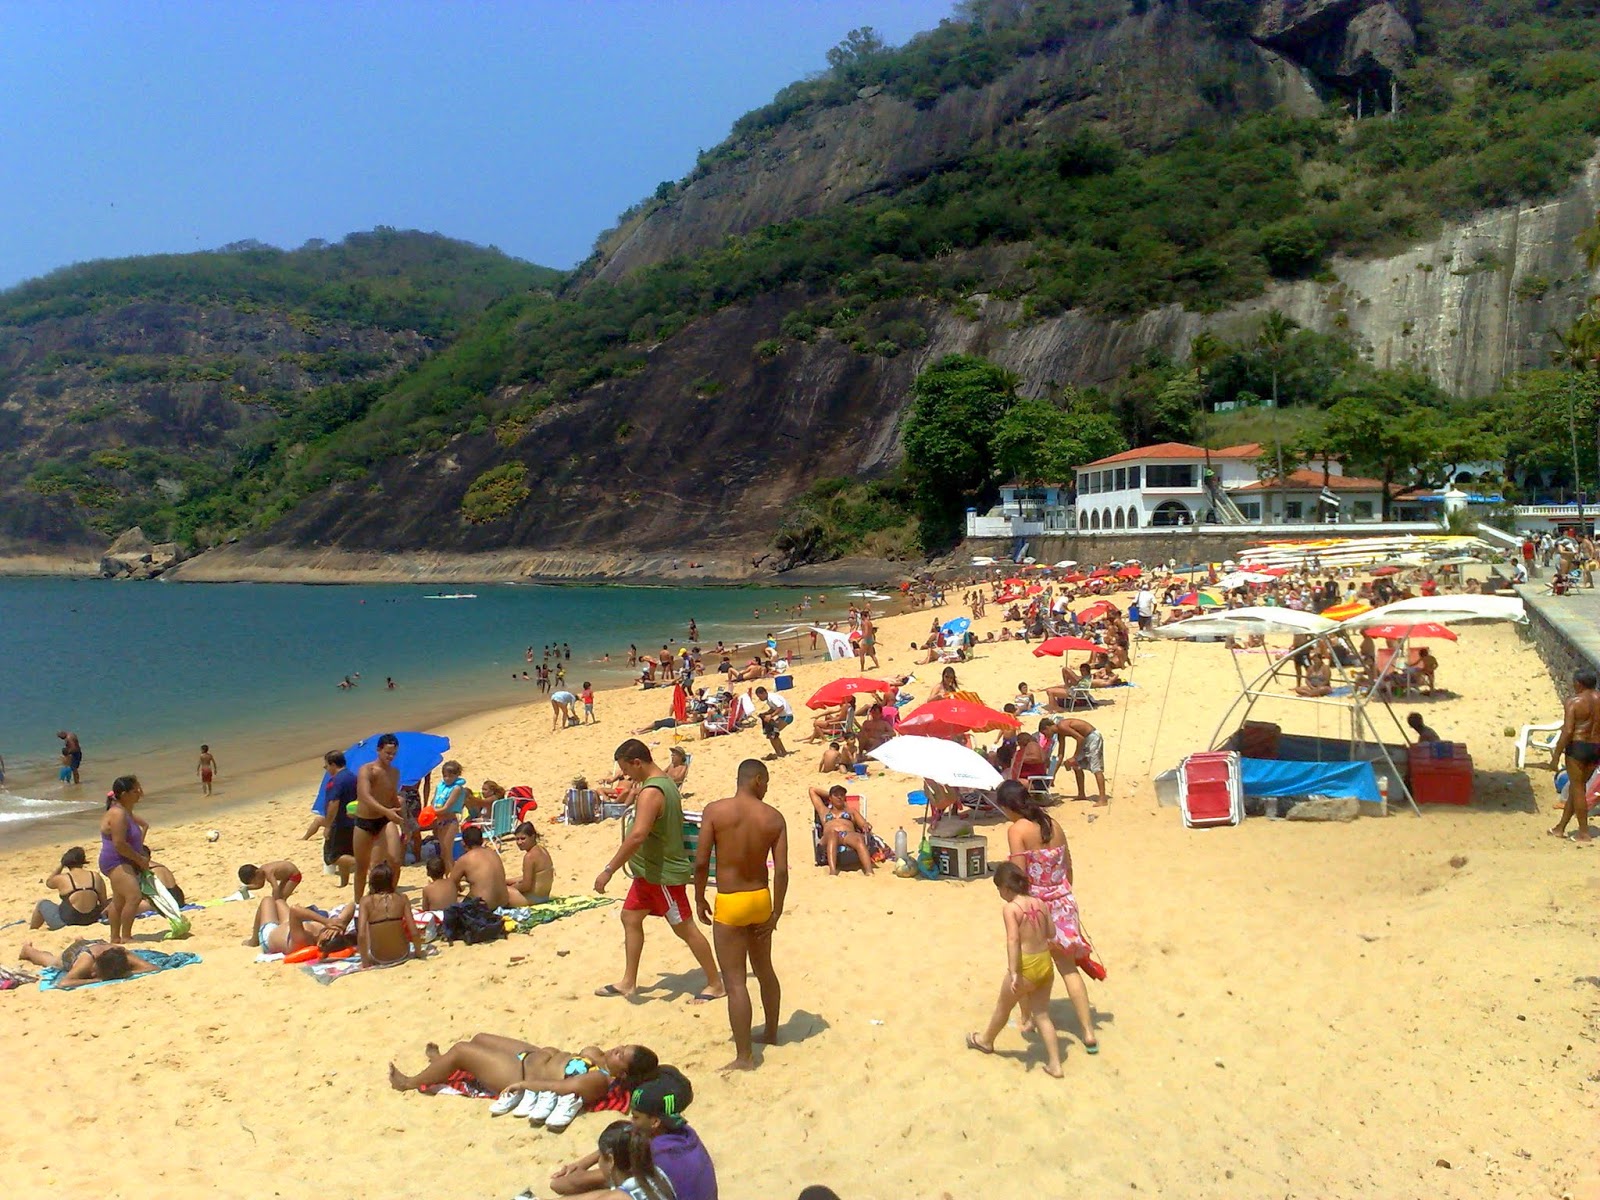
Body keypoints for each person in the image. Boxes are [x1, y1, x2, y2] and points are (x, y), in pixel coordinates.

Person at [593, 739, 724, 1003]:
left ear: (637, 762)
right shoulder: (664, 782)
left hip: (662, 875)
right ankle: (628, 982)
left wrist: (609, 869)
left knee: (684, 928)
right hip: (647, 874)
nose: (627, 776)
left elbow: (638, 834)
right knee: (630, 918)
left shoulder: (652, 791)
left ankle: (715, 982)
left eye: (627, 769)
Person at [695, 760, 789, 1070]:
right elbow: (782, 871)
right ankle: (772, 1032)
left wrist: (698, 897)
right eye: (767, 782)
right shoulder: (774, 817)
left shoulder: (715, 811)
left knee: (735, 982)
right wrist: (776, 912)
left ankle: (745, 1057)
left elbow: (700, 861)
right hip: (760, 899)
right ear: (756, 779)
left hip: (731, 901)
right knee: (765, 970)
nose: (768, 787)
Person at [995, 780, 1098, 1051]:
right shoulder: (1052, 823)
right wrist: (1063, 894)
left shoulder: (1017, 829)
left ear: (1008, 807)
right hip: (1063, 900)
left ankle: (1028, 1019)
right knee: (1068, 968)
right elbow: (1068, 864)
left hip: (1037, 906)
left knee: (1028, 964)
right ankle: (1088, 1031)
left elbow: (1019, 875)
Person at [390, 1035, 659, 1134]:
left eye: (621, 1055)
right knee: (479, 1038)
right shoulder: (599, 1059)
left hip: (517, 1072)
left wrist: (523, 1084)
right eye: (622, 1047)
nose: (616, 1050)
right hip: (531, 1055)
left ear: (623, 1074)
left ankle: (409, 1082)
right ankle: (441, 1065)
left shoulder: (598, 1081)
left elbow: (563, 1088)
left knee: (462, 1050)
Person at [547, 1067, 718, 1200]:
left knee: (568, 1187)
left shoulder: (652, 1157)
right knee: (570, 1186)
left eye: (636, 1117)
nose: (631, 1121)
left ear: (655, 1122)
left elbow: (567, 1184)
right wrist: (585, 1161)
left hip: (656, 1187)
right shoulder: (683, 1134)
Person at [965, 861, 1064, 1078]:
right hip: (1044, 963)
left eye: (999, 888)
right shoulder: (1040, 903)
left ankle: (985, 1040)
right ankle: (1055, 1063)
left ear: (1006, 888)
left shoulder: (1011, 909)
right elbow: (1051, 931)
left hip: (1026, 964)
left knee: (1003, 1006)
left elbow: (1013, 939)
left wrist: (1014, 971)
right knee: (1042, 1014)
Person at [99, 775, 154, 943]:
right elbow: (119, 844)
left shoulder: (126, 812)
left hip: (123, 859)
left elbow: (141, 828)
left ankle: (115, 937)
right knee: (134, 897)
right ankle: (126, 936)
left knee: (119, 900)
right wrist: (139, 859)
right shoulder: (118, 814)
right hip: (116, 860)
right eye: (135, 790)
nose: (140, 793)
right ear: (124, 794)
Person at [353, 733, 404, 903]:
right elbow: (364, 796)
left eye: (393, 754)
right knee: (362, 866)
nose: (390, 757)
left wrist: (403, 816)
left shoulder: (394, 773)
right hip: (364, 822)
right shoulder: (367, 770)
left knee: (394, 861)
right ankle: (359, 902)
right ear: (378, 750)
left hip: (384, 820)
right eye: (387, 753)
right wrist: (387, 811)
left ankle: (390, 896)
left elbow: (391, 796)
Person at [1550, 668, 1599, 844]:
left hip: (1578, 746)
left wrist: (1556, 755)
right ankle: (1560, 827)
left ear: (1578, 683)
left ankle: (1584, 833)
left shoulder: (1574, 702)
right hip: (1596, 747)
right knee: (1576, 788)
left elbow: (1568, 730)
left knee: (1578, 788)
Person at [357, 861, 423, 967]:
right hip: (402, 954)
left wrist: (365, 963)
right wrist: (418, 954)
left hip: (377, 957)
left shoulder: (365, 901)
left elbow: (361, 935)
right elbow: (414, 932)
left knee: (368, 927)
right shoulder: (402, 898)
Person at [18, 939, 157, 988]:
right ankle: (28, 950)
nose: (92, 974)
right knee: (52, 961)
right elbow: (63, 983)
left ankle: (81, 939)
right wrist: (98, 979)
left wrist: (126, 973)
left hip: (96, 944)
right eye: (95, 971)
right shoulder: (87, 961)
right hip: (76, 952)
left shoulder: (122, 953)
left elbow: (152, 968)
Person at [247, 895, 355, 957]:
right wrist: (342, 924)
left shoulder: (302, 941)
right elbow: (352, 905)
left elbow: (295, 910)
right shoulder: (329, 931)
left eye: (327, 934)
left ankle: (254, 940)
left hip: (271, 933)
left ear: (319, 944)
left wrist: (326, 921)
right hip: (290, 925)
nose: (327, 931)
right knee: (279, 901)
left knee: (267, 900)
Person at [28, 847, 107, 930]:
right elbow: (103, 903)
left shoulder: (63, 878)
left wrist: (61, 865)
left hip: (67, 922)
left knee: (42, 903)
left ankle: (32, 929)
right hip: (91, 920)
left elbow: (49, 883)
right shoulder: (95, 876)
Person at [808, 784, 875, 876]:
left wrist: (866, 825)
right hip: (829, 837)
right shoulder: (824, 811)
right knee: (833, 834)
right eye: (836, 795)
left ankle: (869, 871)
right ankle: (833, 871)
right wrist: (830, 795)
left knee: (858, 839)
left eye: (842, 795)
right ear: (830, 798)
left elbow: (863, 823)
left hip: (847, 835)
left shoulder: (851, 811)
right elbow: (812, 790)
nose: (839, 797)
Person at [1042, 716, 1107, 805]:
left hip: (1092, 737)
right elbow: (1060, 755)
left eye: (1045, 733)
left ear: (1047, 728)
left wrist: (1074, 757)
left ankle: (1103, 798)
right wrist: (1053, 775)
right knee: (1076, 766)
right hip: (1085, 739)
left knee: (1096, 768)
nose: (1046, 736)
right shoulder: (1060, 733)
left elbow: (1080, 738)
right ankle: (1081, 794)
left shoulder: (1061, 726)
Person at [449, 826, 517, 908]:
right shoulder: (492, 853)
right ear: (482, 840)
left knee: (455, 899)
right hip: (504, 904)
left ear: (463, 843)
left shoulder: (465, 859)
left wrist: (458, 888)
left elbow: (450, 884)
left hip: (484, 908)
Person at [428, 760, 469, 869]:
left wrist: (432, 812)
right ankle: (447, 876)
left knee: (448, 853)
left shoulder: (457, 788)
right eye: (445, 776)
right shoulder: (440, 786)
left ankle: (452, 879)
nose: (447, 779)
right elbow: (433, 802)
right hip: (439, 821)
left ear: (456, 775)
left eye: (450, 776)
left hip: (450, 821)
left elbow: (447, 807)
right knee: (442, 852)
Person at [511, 821, 554, 902]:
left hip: (533, 899)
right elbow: (531, 876)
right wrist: (506, 881)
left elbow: (526, 886)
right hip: (544, 897)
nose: (519, 842)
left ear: (533, 837)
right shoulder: (542, 850)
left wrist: (511, 887)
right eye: (517, 839)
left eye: (523, 838)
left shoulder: (529, 857)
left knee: (501, 892)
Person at [753, 686, 792, 759]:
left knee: (772, 734)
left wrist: (771, 715)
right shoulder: (769, 698)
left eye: (760, 696)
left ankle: (779, 753)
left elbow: (781, 707)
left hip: (786, 716)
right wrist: (765, 713)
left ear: (764, 693)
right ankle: (782, 752)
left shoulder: (772, 698)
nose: (760, 699)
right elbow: (773, 708)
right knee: (774, 733)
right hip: (782, 716)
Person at [236, 859, 302, 899]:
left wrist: (275, 900)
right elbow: (260, 885)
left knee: (282, 897)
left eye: (254, 881)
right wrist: (247, 888)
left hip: (294, 875)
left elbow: (275, 887)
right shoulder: (260, 874)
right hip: (285, 877)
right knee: (278, 897)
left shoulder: (268, 872)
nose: (256, 883)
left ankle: (284, 914)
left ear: (256, 873)